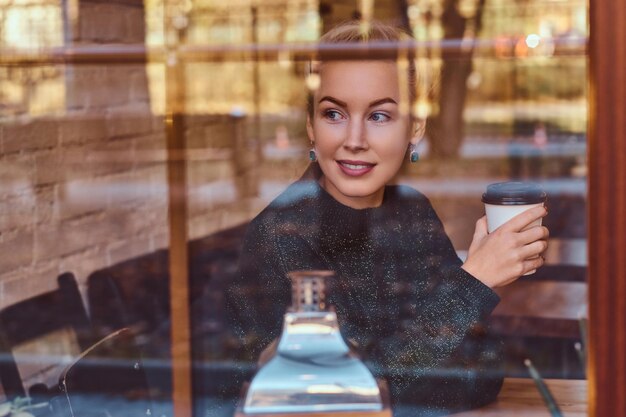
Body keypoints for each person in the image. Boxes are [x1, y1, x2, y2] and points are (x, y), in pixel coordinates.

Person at [227, 20, 549, 415]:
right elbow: (348, 395)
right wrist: (474, 282)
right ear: (311, 125)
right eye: (333, 114)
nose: (355, 140)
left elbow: (484, 368)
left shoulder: (411, 212)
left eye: (379, 116)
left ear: (414, 127)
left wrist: (415, 370)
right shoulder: (283, 236)